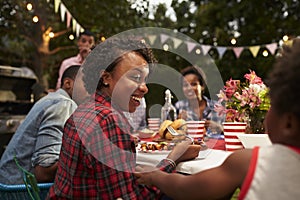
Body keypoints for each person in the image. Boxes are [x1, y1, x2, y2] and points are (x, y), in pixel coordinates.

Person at [135, 41, 300, 199]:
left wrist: (156, 176)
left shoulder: (248, 161)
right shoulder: (179, 108)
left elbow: (186, 188)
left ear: (288, 123)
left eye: (270, 107)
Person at [47, 37, 200, 199]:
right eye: (135, 77)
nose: (145, 88)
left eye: (145, 80)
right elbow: (131, 197)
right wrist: (173, 158)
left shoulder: (84, 109)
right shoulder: (108, 120)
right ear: (106, 78)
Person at [0, 65, 88, 184]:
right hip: (20, 191)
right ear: (68, 83)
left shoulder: (51, 99)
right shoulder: (64, 104)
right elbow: (44, 172)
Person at [175, 66, 224, 135]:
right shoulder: (179, 106)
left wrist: (219, 128)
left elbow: (230, 132)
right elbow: (168, 133)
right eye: (185, 85)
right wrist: (178, 123)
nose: (189, 88)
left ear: (202, 86)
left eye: (194, 84)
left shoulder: (217, 107)